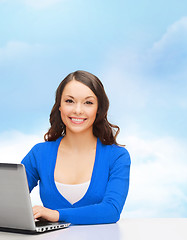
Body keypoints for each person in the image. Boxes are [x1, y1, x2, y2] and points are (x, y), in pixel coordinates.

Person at [21, 70, 131, 225]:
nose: (78, 110)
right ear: (59, 106)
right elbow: (10, 199)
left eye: (88, 102)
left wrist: (56, 214)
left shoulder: (117, 156)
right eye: (69, 101)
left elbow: (111, 211)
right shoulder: (39, 153)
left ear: (99, 109)